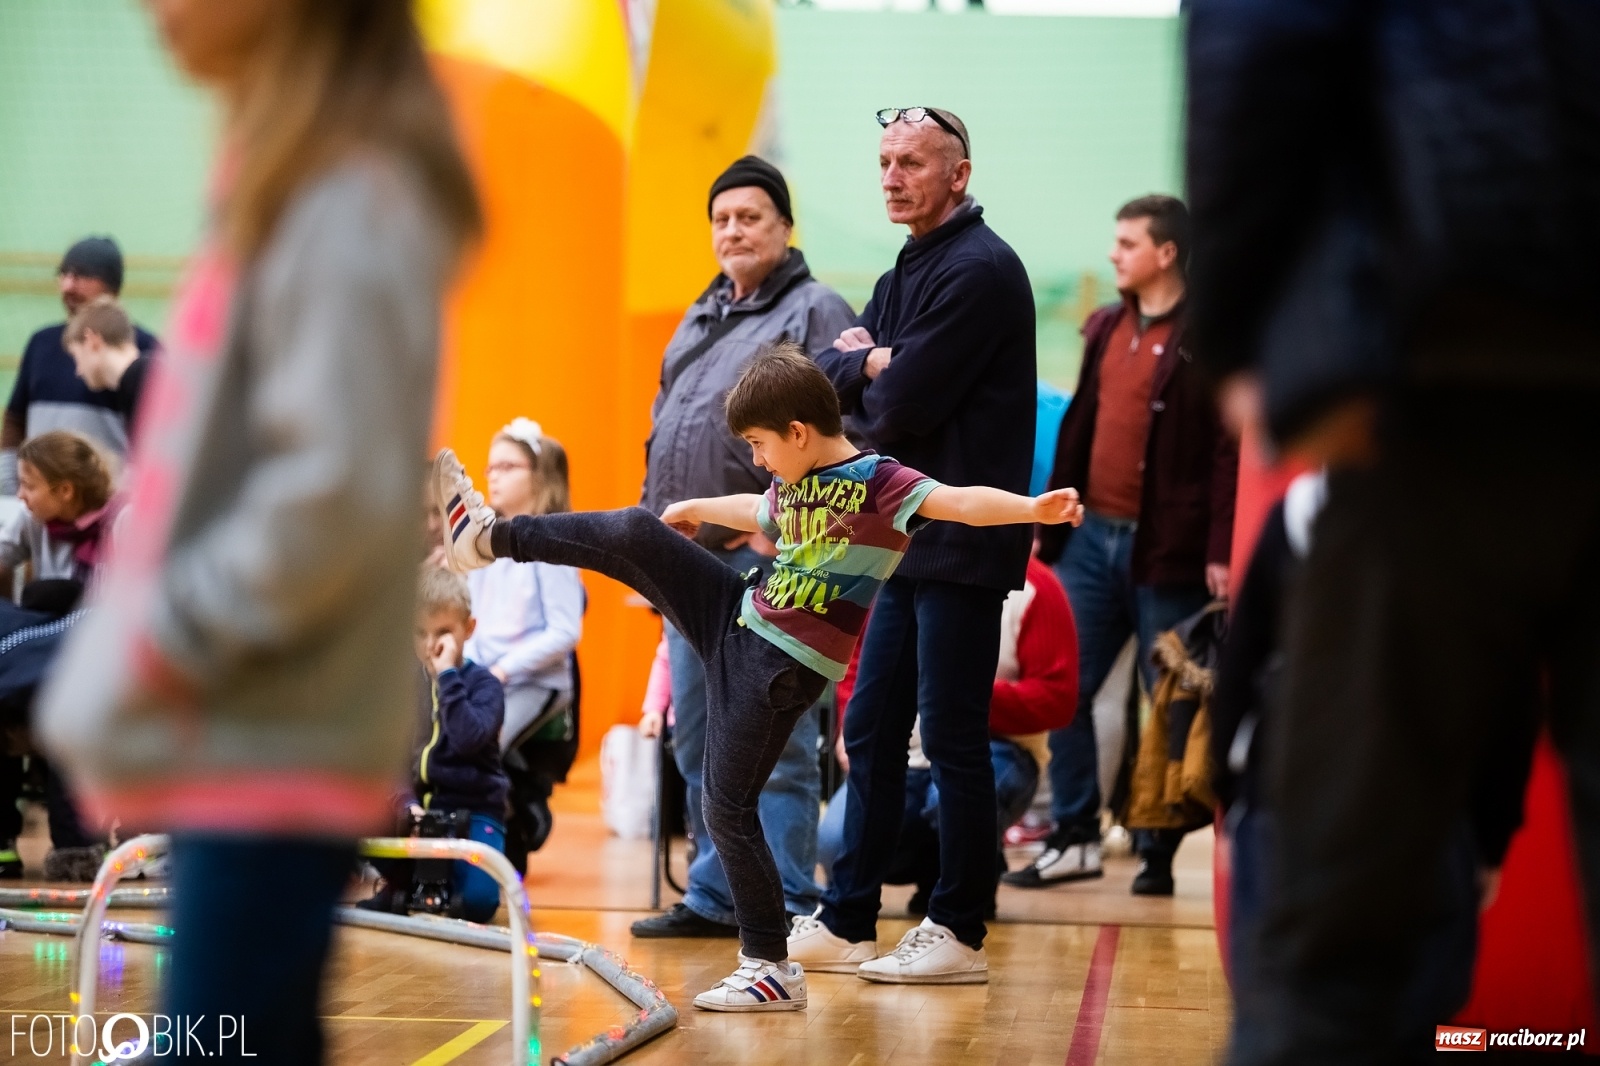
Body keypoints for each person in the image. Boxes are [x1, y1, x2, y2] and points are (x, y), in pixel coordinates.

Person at [34, 0, 480, 1060]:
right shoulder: (294, 183)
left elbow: (324, 501)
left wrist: (145, 647)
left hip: (271, 739)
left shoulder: (350, 195)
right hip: (246, 726)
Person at [1185, 2, 1600, 1060]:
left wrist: (1243, 333)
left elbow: (1261, 47)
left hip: (1446, 356)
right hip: (1451, 352)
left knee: (1341, 927)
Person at [434, 342, 1083, 1010]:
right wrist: (699, 507)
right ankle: (485, 539)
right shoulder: (795, 482)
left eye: (759, 443)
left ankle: (771, 966)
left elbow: (960, 501)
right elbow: (758, 509)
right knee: (634, 530)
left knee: (727, 808)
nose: (757, 457)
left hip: (780, 665)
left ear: (799, 432)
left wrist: (1033, 509)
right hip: (738, 615)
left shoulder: (881, 485)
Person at [797, 106, 1037, 982]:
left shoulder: (980, 269)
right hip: (900, 536)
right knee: (870, 724)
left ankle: (960, 928)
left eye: (912, 163)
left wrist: (871, 372)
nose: (892, 177)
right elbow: (833, 380)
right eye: (885, 161)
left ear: (958, 174)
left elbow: (898, 412)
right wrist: (865, 361)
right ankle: (850, 916)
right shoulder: (910, 266)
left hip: (963, 540)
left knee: (953, 734)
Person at [634, 154, 854, 939]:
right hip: (688, 565)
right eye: (722, 219)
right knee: (697, 735)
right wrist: (647, 545)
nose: (733, 230)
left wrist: (795, 533)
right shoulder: (698, 317)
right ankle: (716, 892)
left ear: (785, 227)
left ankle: (787, 899)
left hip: (772, 563)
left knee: (779, 739)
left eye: (750, 216)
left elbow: (843, 441)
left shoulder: (817, 310)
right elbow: (664, 434)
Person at [1009, 195, 1238, 897]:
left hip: (1168, 550)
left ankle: (1157, 851)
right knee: (1067, 690)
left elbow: (1230, 451)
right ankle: (1075, 836)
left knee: (1166, 698)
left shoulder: (1209, 334)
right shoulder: (1107, 325)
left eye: (1127, 242)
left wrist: (1222, 547)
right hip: (1088, 541)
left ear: (1166, 253)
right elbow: (1081, 423)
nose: (1114, 254)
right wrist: (1053, 523)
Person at [818, 556, 1078, 916]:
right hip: (905, 752)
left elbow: (1059, 699)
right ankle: (938, 873)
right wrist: (851, 725)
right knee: (834, 842)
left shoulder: (1038, 584)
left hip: (999, 746)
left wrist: (960, 692)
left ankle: (964, 894)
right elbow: (856, 663)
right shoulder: (889, 569)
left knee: (949, 800)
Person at [0, 431, 119, 880]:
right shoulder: (29, 520)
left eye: (28, 485)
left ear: (64, 490)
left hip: (90, 654)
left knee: (71, 695)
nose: (20, 495)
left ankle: (78, 845)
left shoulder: (119, 522)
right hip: (43, 647)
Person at [466, 417, 583, 869]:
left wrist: (503, 670)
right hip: (491, 674)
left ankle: (514, 824)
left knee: (478, 745)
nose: (491, 475)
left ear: (538, 475)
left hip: (536, 682)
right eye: (490, 466)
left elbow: (565, 631)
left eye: (506, 466)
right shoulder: (485, 538)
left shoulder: (550, 540)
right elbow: (476, 622)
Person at [361, 567, 508, 923]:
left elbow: (469, 739)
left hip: (472, 814)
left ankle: (436, 884)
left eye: (443, 633)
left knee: (477, 903)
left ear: (468, 629)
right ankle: (402, 884)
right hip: (417, 815)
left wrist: (447, 678)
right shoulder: (402, 685)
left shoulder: (486, 686)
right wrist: (406, 804)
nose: (430, 645)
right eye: (420, 633)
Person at [1, 236, 161, 494]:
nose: (67, 285)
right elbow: (15, 420)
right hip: (41, 504)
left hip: (106, 509)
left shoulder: (148, 356)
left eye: (80, 275)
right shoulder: (40, 342)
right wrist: (9, 489)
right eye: (62, 274)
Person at [62, 296, 156, 427]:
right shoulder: (136, 381)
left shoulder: (143, 379)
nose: (79, 372)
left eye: (76, 356)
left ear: (92, 342)